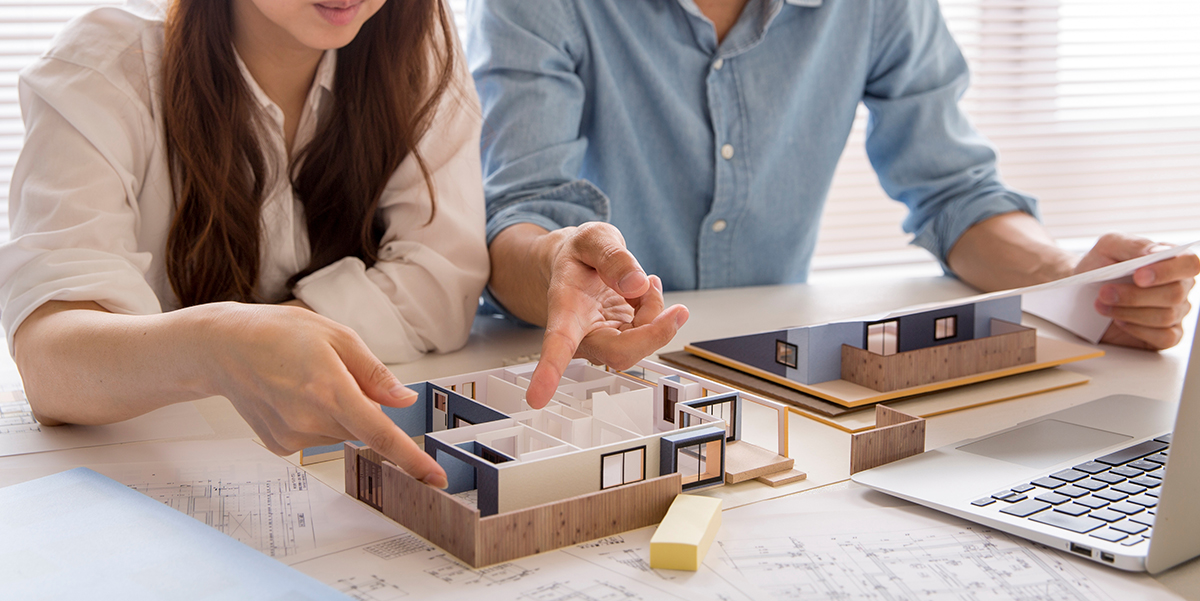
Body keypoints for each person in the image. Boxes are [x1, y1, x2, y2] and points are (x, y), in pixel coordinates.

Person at [467, 0, 1200, 409]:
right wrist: (562, 261)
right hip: (576, 387)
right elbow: (521, 217)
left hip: (775, 387)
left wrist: (1071, 277)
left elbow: (954, 190)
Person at [0, 0, 491, 488]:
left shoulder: (410, 36)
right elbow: (50, 360)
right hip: (153, 476)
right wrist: (217, 348)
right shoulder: (106, 64)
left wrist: (269, 345)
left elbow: (443, 279)